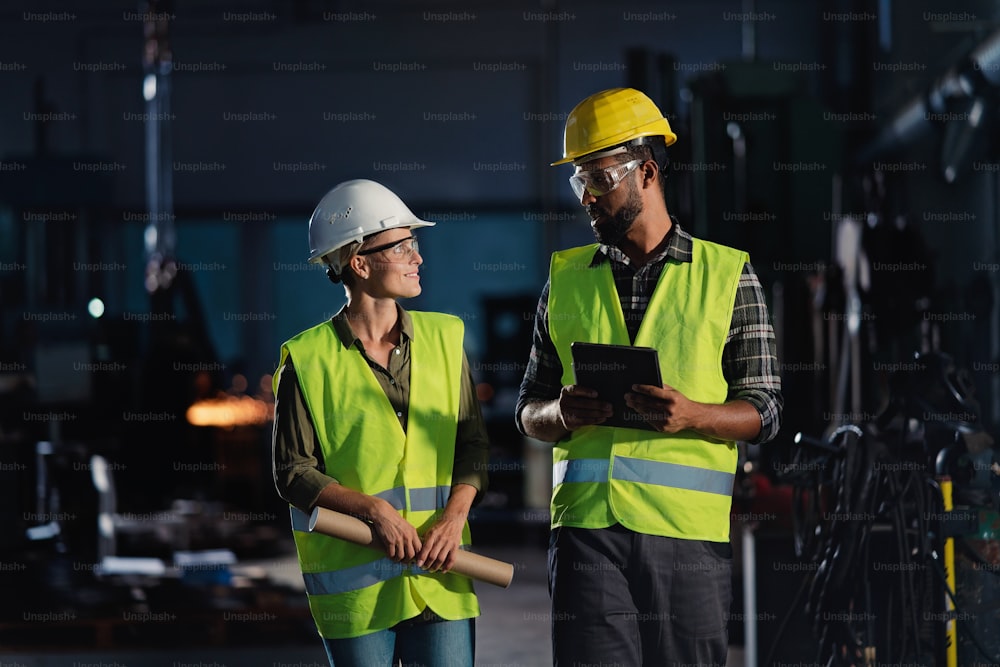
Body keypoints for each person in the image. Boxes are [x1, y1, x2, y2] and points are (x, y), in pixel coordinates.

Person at [516, 88, 783, 666]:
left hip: (685, 540)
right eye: (578, 182)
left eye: (600, 179)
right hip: (587, 534)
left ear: (647, 172)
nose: (587, 197)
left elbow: (765, 410)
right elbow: (527, 409)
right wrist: (558, 413)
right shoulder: (565, 279)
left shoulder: (728, 276)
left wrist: (696, 416)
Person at [272, 178, 490, 667]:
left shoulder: (445, 338)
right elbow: (292, 471)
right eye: (404, 245)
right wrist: (374, 511)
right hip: (357, 586)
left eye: (416, 244)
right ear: (360, 262)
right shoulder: (307, 359)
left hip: (440, 571)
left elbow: (472, 445)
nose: (418, 257)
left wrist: (454, 518)